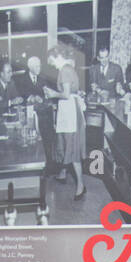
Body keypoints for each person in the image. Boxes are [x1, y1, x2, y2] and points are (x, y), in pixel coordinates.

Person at [46, 47, 85, 198]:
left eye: (52, 62)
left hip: (70, 112)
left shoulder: (64, 70)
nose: (52, 65)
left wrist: (52, 93)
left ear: (58, 57)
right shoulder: (68, 68)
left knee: (72, 147)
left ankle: (81, 185)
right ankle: (63, 174)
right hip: (68, 109)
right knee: (65, 144)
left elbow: (67, 94)